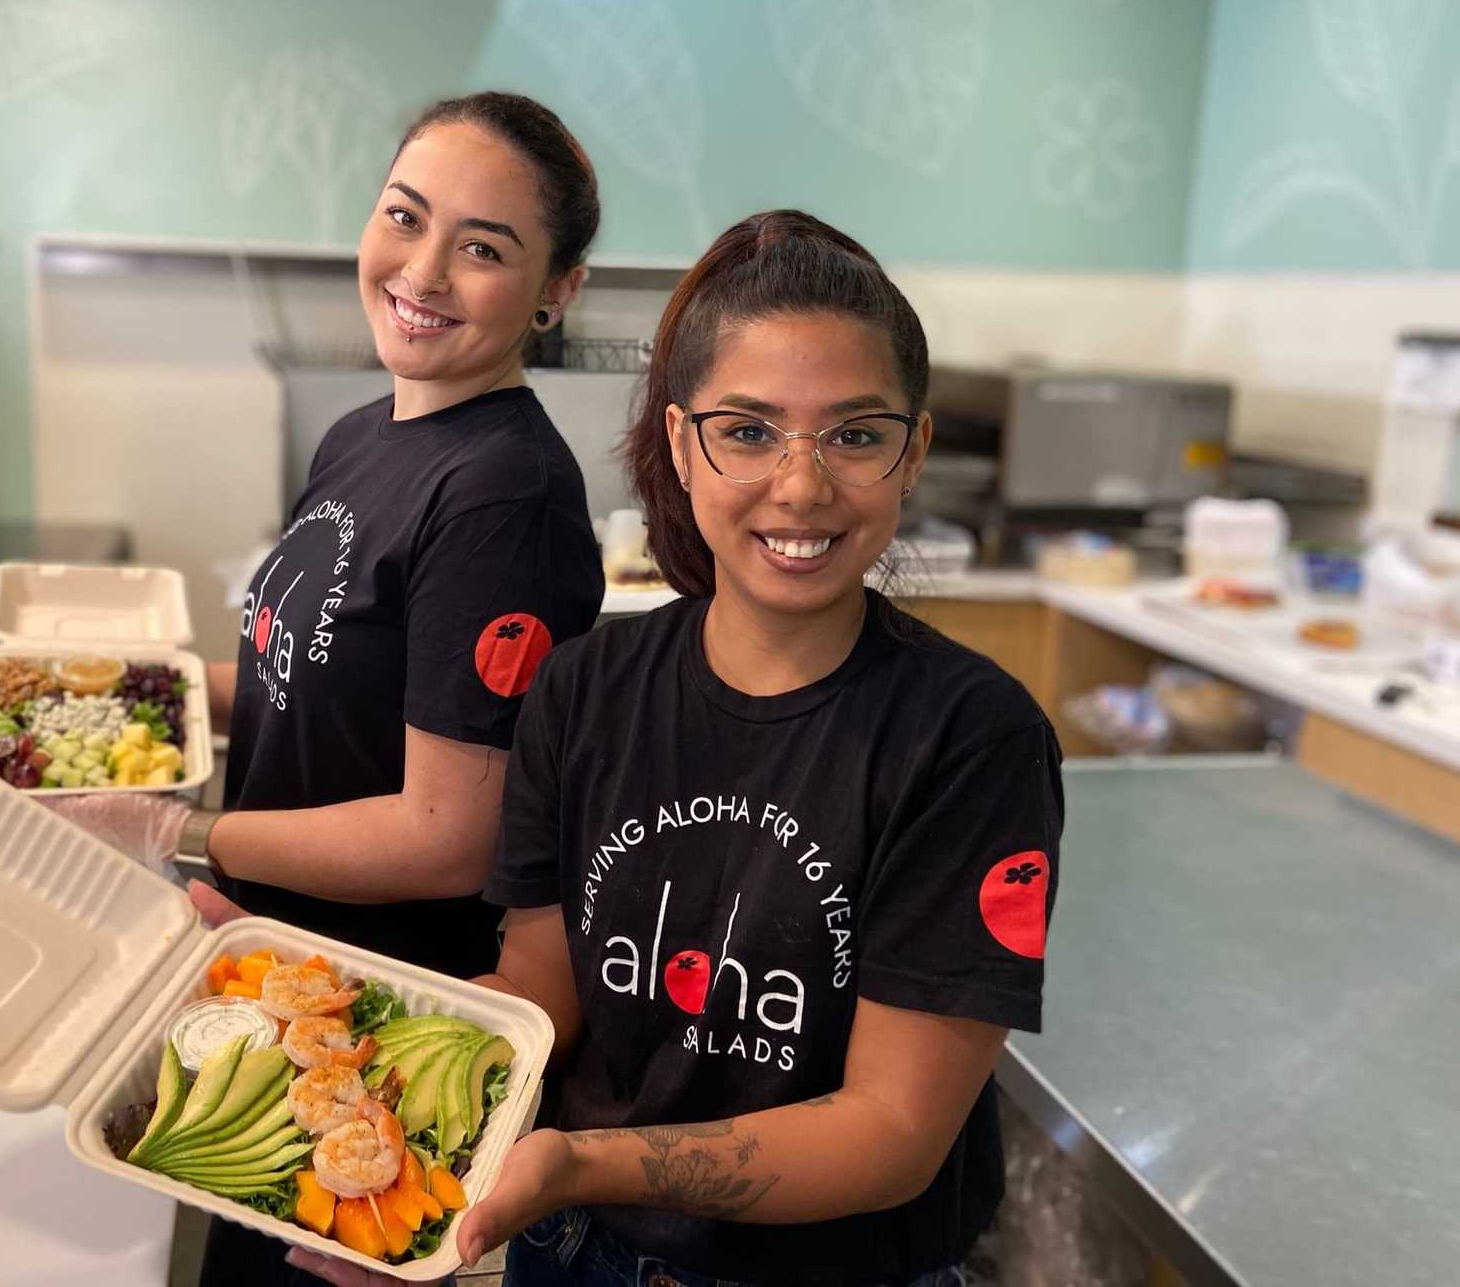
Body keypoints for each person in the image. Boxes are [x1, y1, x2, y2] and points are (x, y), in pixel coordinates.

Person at [430, 210, 1065, 1286]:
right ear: (682, 446)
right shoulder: (584, 691)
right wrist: (400, 1109)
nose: (802, 486)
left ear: (912, 456)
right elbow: (542, 991)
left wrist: (583, 1163)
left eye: (856, 435)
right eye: (750, 430)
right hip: (577, 1251)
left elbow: (892, 1134)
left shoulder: (971, 738)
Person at [197, 92, 607, 975]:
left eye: (482, 248)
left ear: (557, 289)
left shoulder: (505, 496)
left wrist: (189, 831)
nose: (422, 274)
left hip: (377, 994)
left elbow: (445, 838)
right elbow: (309, 683)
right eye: (404, 217)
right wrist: (156, 686)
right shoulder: (358, 434)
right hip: (268, 949)